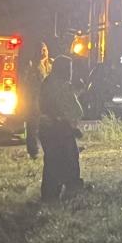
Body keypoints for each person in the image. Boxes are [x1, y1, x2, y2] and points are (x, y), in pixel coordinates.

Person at [39, 55, 85, 201]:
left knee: (66, 159)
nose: (70, 72)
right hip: (55, 129)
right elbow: (56, 106)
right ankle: (55, 194)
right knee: (58, 161)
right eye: (69, 68)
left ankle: (64, 190)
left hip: (61, 128)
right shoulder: (55, 84)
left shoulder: (57, 83)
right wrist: (62, 121)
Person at [19, 43, 49, 159]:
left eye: (45, 49)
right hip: (33, 101)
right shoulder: (32, 66)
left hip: (43, 101)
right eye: (41, 50)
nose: (43, 52)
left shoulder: (47, 65)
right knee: (32, 127)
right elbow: (28, 84)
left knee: (44, 126)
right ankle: (33, 151)